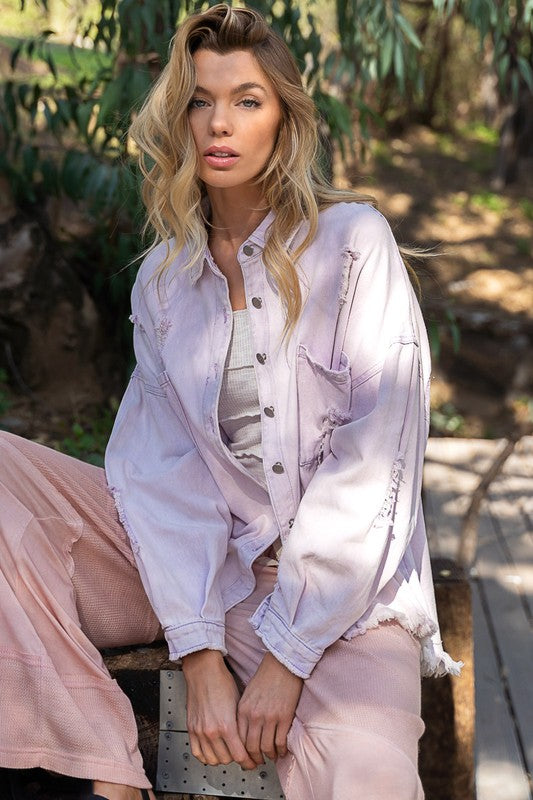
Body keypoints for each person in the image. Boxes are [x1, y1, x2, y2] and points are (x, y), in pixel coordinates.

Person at [0, 4, 463, 799]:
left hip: (343, 598)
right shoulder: (164, 279)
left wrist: (286, 659)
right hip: (197, 566)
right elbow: (162, 473)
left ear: (284, 118)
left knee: (368, 777)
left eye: (247, 100)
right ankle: (106, 769)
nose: (219, 123)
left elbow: (374, 464)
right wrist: (200, 655)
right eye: (199, 100)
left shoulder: (354, 243)